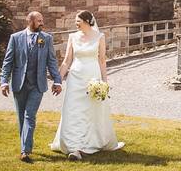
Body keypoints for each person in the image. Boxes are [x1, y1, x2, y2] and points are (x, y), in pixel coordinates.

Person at [50, 10, 125, 160]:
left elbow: (102, 60)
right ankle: (73, 145)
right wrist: (58, 79)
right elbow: (66, 61)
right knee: (73, 110)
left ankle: (87, 143)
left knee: (90, 111)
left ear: (87, 21)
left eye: (78, 21)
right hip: (75, 78)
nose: (76, 24)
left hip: (92, 77)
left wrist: (104, 82)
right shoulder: (73, 37)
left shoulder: (99, 37)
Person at [0, 11, 63, 163]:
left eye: (42, 20)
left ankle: (25, 151)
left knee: (30, 115)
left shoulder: (46, 38)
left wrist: (57, 80)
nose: (42, 23)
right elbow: (8, 61)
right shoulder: (15, 38)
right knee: (21, 117)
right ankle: (25, 146)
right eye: (39, 20)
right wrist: (4, 81)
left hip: (37, 84)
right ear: (30, 21)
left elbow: (52, 61)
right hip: (19, 84)